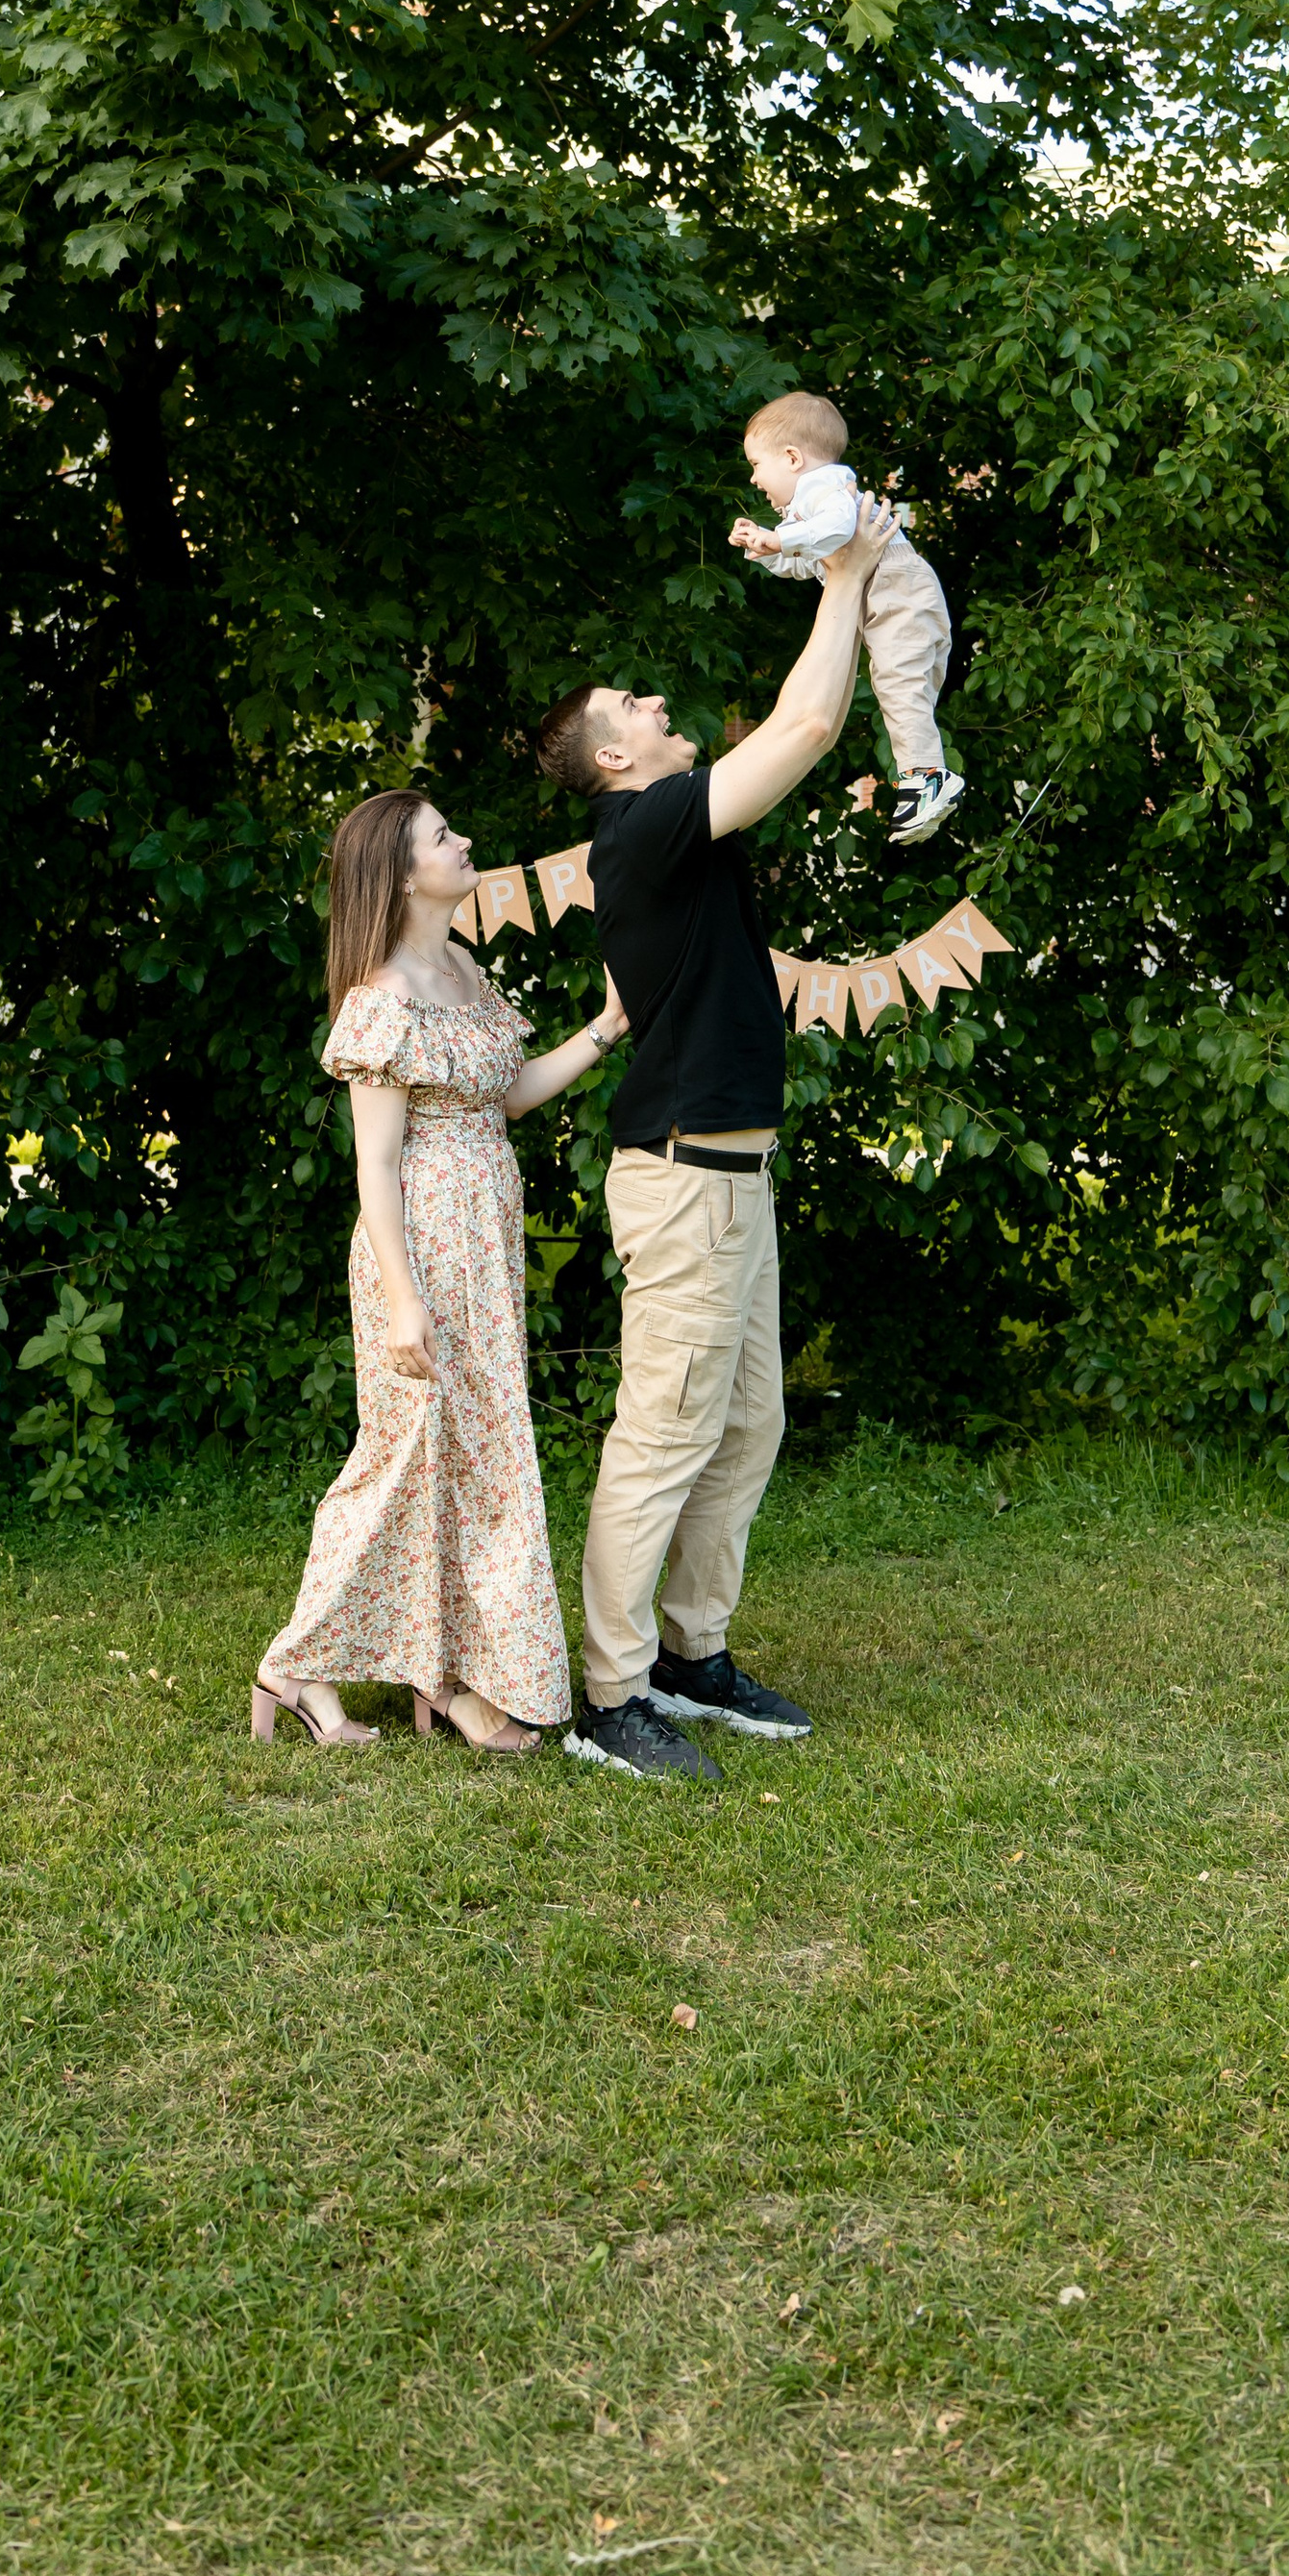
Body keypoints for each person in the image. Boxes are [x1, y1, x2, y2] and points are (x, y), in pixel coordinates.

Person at [532, 495, 895, 1783]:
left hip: (733, 1177)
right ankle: (610, 1696)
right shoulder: (641, 826)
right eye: (629, 702)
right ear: (611, 754)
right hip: (684, 1181)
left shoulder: (674, 834)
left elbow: (805, 731)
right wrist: (844, 577)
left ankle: (692, 1657)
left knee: (745, 1428)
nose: (652, 700)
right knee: (664, 1436)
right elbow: (804, 728)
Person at [253, 789, 630, 1754]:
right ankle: (296, 1665)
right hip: (419, 1247)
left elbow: (509, 1095)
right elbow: (375, 1166)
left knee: (478, 1460)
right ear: (401, 874)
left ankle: (453, 1679)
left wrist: (604, 1027)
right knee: (404, 1458)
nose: (465, 842)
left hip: (484, 1247)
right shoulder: (381, 999)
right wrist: (402, 1301)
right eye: (441, 836)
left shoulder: (463, 967)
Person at [730, 389, 963, 845]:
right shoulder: (810, 507)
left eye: (756, 464)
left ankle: (926, 778)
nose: (754, 479)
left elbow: (836, 530)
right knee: (902, 691)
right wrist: (766, 549)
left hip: (898, 592)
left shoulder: (825, 490)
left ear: (792, 458)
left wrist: (780, 539)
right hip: (894, 595)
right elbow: (809, 562)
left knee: (899, 685)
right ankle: (925, 774)